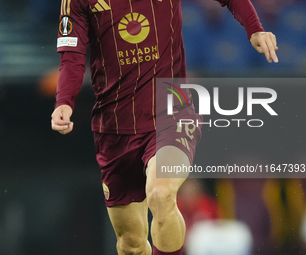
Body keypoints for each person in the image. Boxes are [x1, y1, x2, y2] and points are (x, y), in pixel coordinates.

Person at [51, 0, 278, 254]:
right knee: (131, 244)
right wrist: (64, 102)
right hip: (114, 127)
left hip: (171, 111)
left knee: (161, 193)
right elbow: (71, 56)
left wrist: (255, 29)